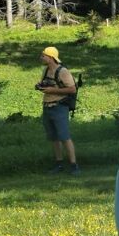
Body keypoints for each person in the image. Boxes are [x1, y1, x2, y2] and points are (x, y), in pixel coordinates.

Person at [37, 46, 80, 175]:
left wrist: (52, 90)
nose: (41, 57)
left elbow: (72, 89)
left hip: (59, 107)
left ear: (50, 58)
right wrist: (40, 86)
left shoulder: (63, 71)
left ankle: (74, 166)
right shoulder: (46, 70)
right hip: (47, 106)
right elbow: (46, 84)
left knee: (64, 137)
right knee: (53, 137)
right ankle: (59, 164)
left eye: (43, 55)